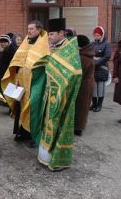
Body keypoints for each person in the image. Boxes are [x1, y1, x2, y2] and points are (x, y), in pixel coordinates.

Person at [36, 18, 82, 171]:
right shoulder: (55, 47)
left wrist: (61, 86)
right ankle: (45, 156)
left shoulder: (70, 49)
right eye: (48, 34)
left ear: (62, 33)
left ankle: (58, 160)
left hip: (63, 96)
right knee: (48, 123)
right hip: (50, 95)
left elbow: (75, 72)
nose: (49, 36)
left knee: (59, 124)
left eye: (52, 34)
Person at [1, 20, 50, 145]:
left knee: (34, 106)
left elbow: (43, 64)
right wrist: (17, 76)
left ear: (39, 30)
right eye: (28, 29)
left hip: (36, 82)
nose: (29, 31)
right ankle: (23, 132)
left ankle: (35, 135)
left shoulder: (44, 43)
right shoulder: (26, 41)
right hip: (22, 81)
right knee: (21, 106)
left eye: (31, 29)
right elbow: (18, 61)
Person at [74, 35, 95, 136]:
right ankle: (78, 126)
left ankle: (78, 128)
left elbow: (78, 73)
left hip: (84, 85)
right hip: (87, 83)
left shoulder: (83, 57)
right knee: (82, 106)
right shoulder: (86, 54)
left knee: (81, 107)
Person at [90, 26, 111, 112]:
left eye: (98, 35)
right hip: (93, 69)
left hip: (102, 69)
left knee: (100, 88)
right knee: (93, 88)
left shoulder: (106, 44)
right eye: (95, 35)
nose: (96, 37)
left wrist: (96, 62)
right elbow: (89, 54)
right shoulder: (92, 44)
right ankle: (94, 104)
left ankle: (99, 105)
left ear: (102, 35)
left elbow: (107, 56)